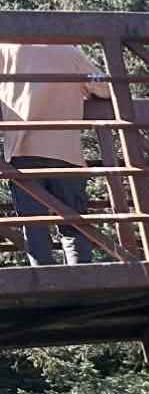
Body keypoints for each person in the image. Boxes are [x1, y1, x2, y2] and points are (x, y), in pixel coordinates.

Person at [0, 41, 110, 266]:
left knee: (34, 227)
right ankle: (81, 280)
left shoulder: (6, 49)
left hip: (23, 151)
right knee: (74, 226)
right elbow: (105, 88)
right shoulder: (69, 51)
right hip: (65, 152)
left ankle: (45, 282)